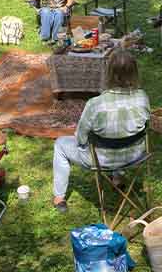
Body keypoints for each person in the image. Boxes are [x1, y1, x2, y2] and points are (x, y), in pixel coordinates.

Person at [51, 49, 150, 213]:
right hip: (134, 155)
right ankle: (117, 177)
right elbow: (146, 125)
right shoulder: (142, 97)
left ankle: (59, 198)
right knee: (120, 134)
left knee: (60, 144)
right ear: (134, 73)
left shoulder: (96, 104)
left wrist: (84, 143)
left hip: (101, 159)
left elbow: (80, 138)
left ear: (108, 73)